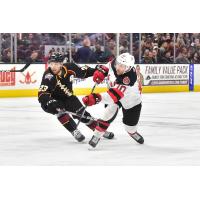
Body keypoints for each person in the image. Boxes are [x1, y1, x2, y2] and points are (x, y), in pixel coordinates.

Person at [38, 52, 114, 142]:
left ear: (61, 64)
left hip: (69, 98)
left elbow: (83, 72)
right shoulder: (48, 76)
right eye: (51, 64)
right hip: (53, 100)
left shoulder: (70, 67)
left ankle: (98, 131)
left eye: (56, 64)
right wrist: (50, 101)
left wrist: (96, 70)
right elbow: (42, 93)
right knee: (60, 111)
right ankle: (74, 131)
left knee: (83, 115)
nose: (53, 66)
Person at [82, 53, 144, 148]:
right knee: (107, 114)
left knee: (129, 126)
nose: (118, 67)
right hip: (115, 95)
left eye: (122, 66)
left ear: (129, 68)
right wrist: (102, 72)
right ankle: (96, 136)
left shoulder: (129, 78)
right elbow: (109, 65)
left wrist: (96, 98)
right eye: (118, 64)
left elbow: (112, 96)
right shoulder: (115, 63)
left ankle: (132, 132)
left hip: (131, 101)